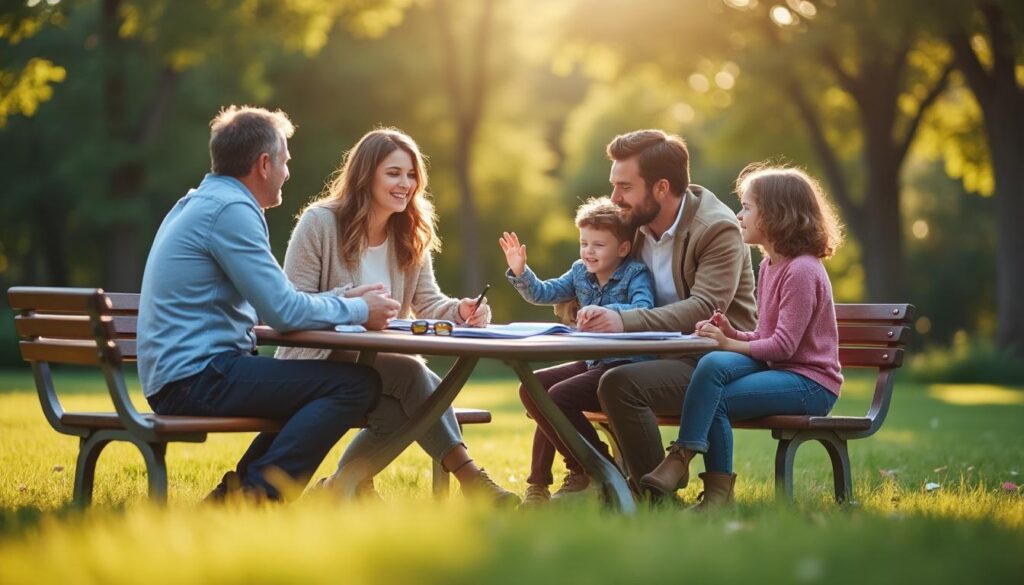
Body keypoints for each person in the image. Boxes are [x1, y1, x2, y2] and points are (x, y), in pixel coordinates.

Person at [138, 105, 401, 502]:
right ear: (264, 164)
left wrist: (341, 299)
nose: (287, 172)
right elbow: (282, 312)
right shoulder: (232, 210)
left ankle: (236, 495)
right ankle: (260, 496)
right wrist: (360, 310)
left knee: (316, 384)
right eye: (285, 161)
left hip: (184, 374)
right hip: (196, 378)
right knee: (355, 385)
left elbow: (281, 299)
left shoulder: (203, 201)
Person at [276, 127, 519, 506]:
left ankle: (335, 489)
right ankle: (473, 479)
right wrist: (353, 304)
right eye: (393, 173)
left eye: (411, 175)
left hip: (376, 369)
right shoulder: (319, 223)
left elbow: (428, 302)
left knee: (396, 413)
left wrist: (460, 311)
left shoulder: (409, 232)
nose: (405, 184)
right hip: (317, 362)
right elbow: (294, 301)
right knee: (412, 374)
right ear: (365, 175)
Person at [564, 129, 759, 494]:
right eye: (614, 186)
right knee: (542, 388)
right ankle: (603, 480)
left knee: (619, 384)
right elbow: (593, 275)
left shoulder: (716, 228)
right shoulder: (632, 223)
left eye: (625, 187)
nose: (614, 198)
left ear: (661, 188)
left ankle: (651, 491)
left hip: (711, 358)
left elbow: (705, 308)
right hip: (648, 353)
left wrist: (622, 321)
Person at [640, 165, 845, 508]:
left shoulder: (802, 270)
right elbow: (767, 334)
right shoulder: (769, 265)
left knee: (716, 396)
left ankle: (698, 475)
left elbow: (784, 346)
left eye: (748, 207)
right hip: (781, 369)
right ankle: (686, 464)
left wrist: (730, 343)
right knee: (712, 363)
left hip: (811, 383)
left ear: (777, 214)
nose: (739, 215)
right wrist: (731, 332)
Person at [499, 197, 654, 507]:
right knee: (532, 387)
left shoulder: (636, 273)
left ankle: (598, 467)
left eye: (598, 245)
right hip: (593, 361)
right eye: (584, 243)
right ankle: (563, 476)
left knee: (557, 397)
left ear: (623, 248)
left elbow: (644, 308)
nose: (588, 251)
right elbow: (543, 292)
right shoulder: (579, 272)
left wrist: (608, 310)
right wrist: (521, 271)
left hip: (624, 365)